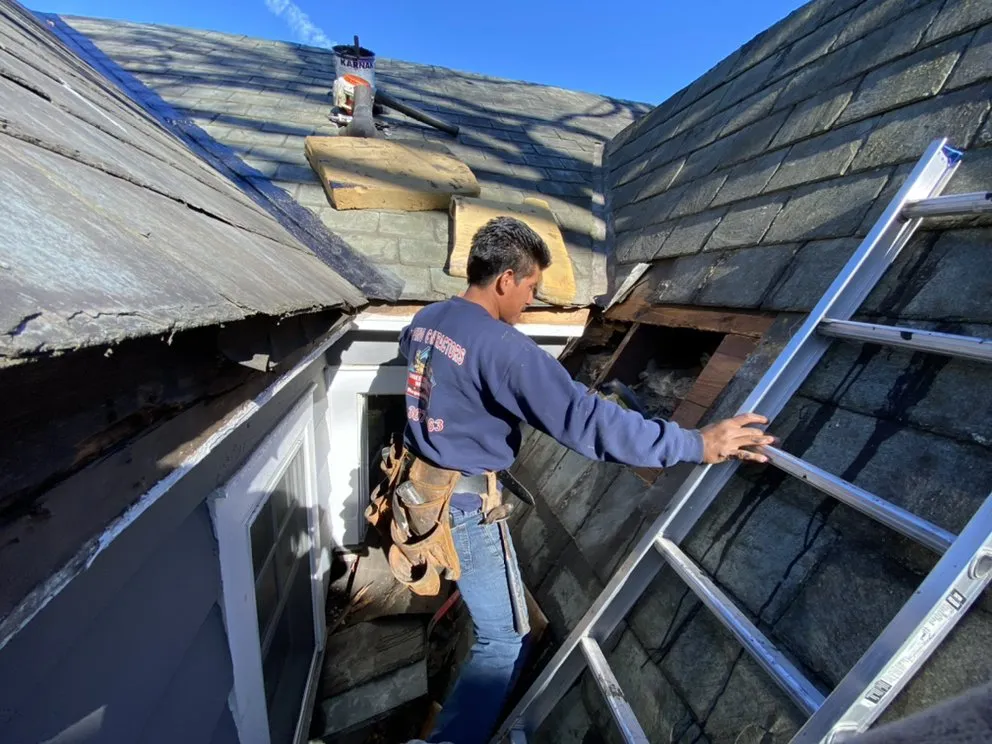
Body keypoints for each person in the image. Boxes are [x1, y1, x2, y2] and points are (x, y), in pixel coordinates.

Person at [395, 216, 775, 744]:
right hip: (461, 507)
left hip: (422, 490)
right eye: (531, 287)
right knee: (504, 639)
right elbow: (587, 421)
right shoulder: (505, 350)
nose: (531, 301)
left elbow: (427, 372)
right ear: (506, 279)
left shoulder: (428, 320)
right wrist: (695, 443)